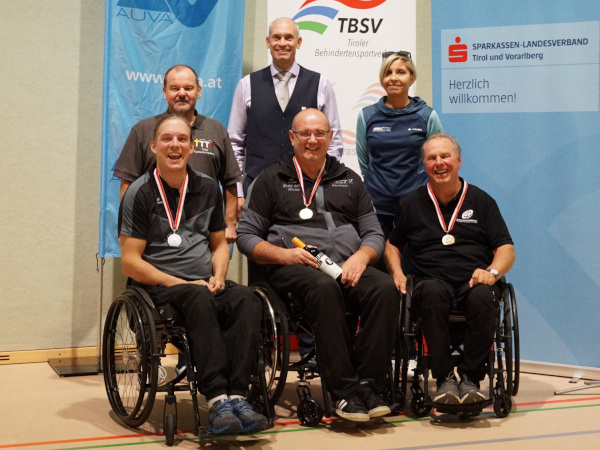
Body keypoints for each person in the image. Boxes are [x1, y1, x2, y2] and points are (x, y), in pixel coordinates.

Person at [237, 108, 399, 422]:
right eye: (305, 134)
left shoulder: (349, 179)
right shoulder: (270, 179)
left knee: (384, 288)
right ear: (292, 138)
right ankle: (344, 391)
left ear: (330, 137)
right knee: (324, 288)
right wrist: (284, 255)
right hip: (294, 268)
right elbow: (245, 237)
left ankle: (369, 385)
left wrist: (362, 257)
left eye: (319, 133)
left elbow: (374, 233)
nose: (312, 140)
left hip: (346, 266)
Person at [118, 115, 268, 435]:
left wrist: (219, 275)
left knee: (246, 298)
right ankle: (217, 400)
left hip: (203, 284)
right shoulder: (139, 193)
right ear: (154, 146)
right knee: (197, 296)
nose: (175, 145)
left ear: (191, 147)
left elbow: (219, 245)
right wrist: (182, 283)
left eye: (182, 139)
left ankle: (238, 396)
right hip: (158, 288)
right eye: (167, 139)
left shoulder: (208, 187)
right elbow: (130, 263)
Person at [384, 132, 515, 406]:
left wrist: (492, 273)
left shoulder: (482, 201)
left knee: (483, 297)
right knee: (431, 293)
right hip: (430, 280)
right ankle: (444, 378)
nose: (439, 163)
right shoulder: (410, 203)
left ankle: (470, 379)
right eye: (432, 158)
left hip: (473, 280)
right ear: (424, 164)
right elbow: (392, 245)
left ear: (459, 161)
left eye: (445, 156)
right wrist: (397, 273)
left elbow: (505, 249)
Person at [114, 64, 242, 243]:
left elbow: (230, 181)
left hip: (203, 234)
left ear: (199, 91)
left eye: (188, 88)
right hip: (153, 233)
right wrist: (130, 225)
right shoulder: (143, 130)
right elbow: (127, 182)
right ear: (164, 92)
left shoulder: (216, 130)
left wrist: (230, 224)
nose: (182, 93)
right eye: (174, 88)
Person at [228, 17, 343, 203]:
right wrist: (238, 191)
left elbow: (334, 141)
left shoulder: (321, 84)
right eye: (276, 37)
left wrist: (324, 182)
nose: (282, 43)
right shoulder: (246, 85)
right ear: (268, 42)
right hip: (256, 189)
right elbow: (234, 142)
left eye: (289, 37)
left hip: (307, 189)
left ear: (299, 42)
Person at [356, 51, 443, 240]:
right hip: (377, 206)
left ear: (412, 78)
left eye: (401, 72)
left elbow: (438, 158)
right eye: (388, 73)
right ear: (382, 79)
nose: (393, 78)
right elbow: (364, 161)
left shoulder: (427, 116)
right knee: (379, 256)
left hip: (417, 205)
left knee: (415, 257)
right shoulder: (367, 115)